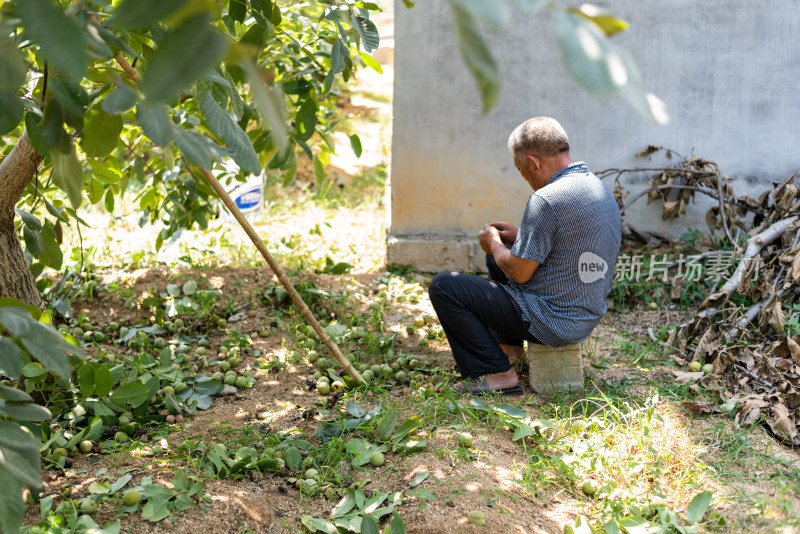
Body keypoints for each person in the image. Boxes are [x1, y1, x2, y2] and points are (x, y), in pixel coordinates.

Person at [428, 117, 621, 394]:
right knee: (501, 258)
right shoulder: (597, 188)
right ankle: (509, 352)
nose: (526, 178)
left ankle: (498, 375)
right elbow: (571, 244)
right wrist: (521, 238)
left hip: (553, 321)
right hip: (583, 315)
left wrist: (493, 243)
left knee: (445, 286)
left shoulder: (547, 199)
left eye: (521, 170)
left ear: (534, 162)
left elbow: (519, 272)